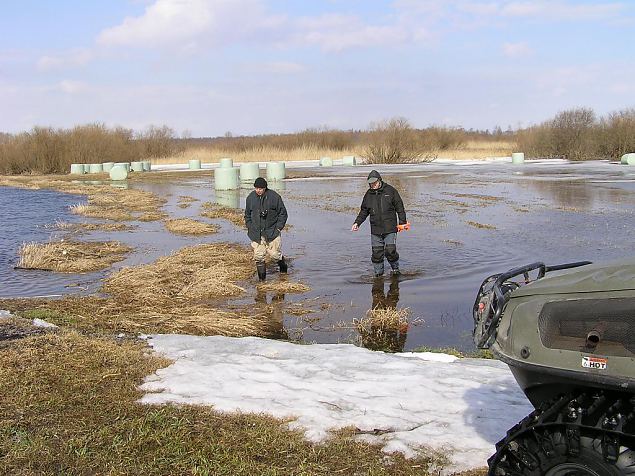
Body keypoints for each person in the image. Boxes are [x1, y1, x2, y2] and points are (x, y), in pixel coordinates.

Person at [351, 170, 407, 277]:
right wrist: (357, 223)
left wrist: (402, 222)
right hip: (375, 229)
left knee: (390, 251)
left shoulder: (390, 191)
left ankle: (395, 269)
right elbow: (364, 211)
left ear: (379, 180)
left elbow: (400, 207)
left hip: (390, 228)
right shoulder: (368, 195)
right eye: (371, 183)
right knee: (377, 254)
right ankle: (378, 275)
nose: (373, 185)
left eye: (374, 183)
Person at [244, 177, 288, 281]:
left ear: (265, 188)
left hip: (272, 232)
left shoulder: (274, 197)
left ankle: (283, 267)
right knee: (259, 256)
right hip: (256, 233)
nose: (258, 190)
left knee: (274, 255)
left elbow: (283, 214)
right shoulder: (250, 198)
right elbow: (247, 215)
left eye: (260, 188)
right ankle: (262, 282)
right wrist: (250, 226)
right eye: (256, 188)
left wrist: (278, 228)